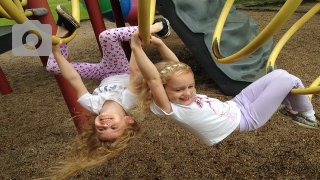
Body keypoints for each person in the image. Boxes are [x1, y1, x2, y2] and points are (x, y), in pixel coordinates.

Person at [44, 5, 171, 179]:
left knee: (52, 66)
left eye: (102, 129)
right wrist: (137, 46)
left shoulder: (91, 105)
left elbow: (73, 79)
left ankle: (65, 28)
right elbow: (135, 71)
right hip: (119, 69)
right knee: (106, 36)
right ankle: (159, 27)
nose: (105, 124)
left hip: (102, 74)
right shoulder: (128, 101)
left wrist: (57, 53)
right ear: (128, 119)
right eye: (113, 127)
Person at [130, 30, 320, 147]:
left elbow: (176, 66)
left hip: (236, 104)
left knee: (280, 74)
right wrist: (136, 49)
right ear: (163, 90)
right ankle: (308, 116)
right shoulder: (169, 108)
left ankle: (292, 108)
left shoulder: (176, 89)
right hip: (247, 118)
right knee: (290, 80)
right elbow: (154, 79)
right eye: (179, 90)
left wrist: (161, 43)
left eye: (190, 86)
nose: (187, 93)